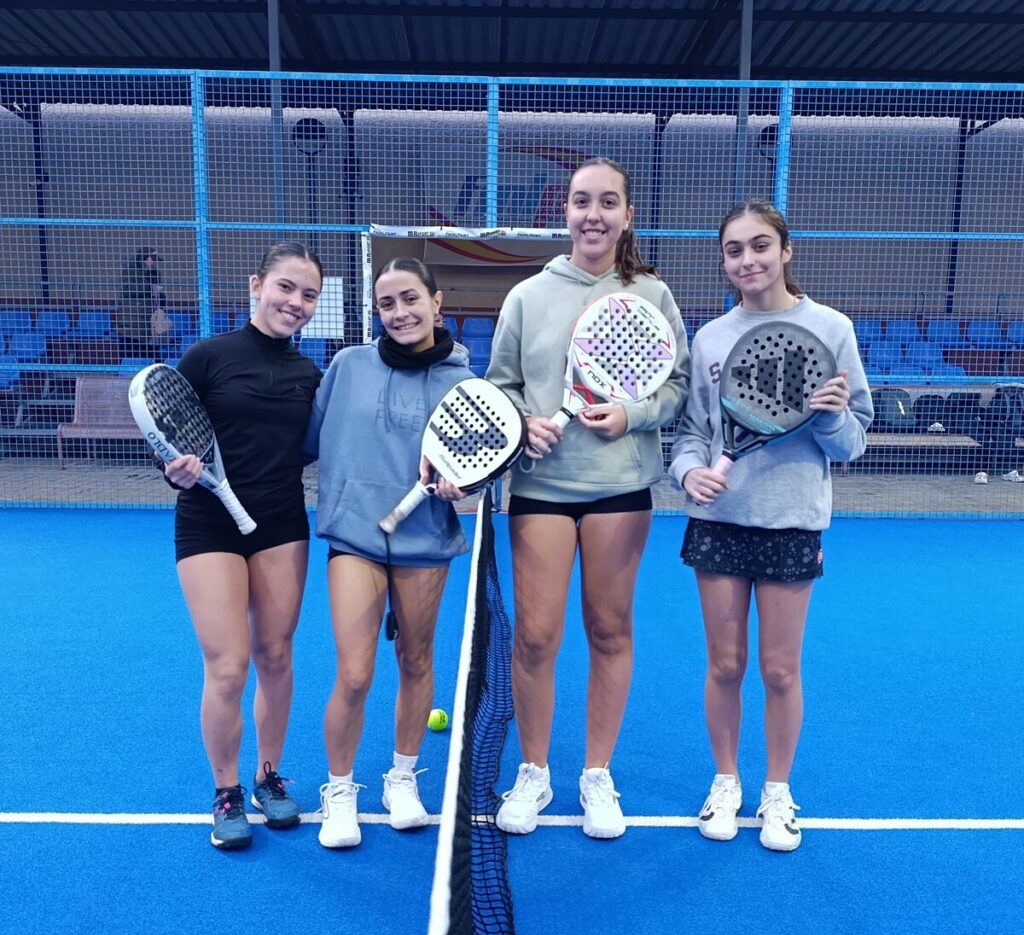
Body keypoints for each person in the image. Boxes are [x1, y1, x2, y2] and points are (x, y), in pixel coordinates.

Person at [486, 157, 690, 840]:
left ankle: (597, 774)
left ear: (627, 215)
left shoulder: (652, 295)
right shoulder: (526, 297)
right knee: (535, 636)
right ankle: (534, 772)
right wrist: (522, 424)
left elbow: (675, 386)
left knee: (609, 630)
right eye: (581, 201)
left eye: (607, 202)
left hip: (619, 490)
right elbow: (501, 386)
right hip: (540, 489)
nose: (593, 214)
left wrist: (632, 415)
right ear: (566, 212)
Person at [669, 199, 873, 852]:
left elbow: (853, 443)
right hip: (718, 521)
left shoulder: (832, 329)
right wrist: (688, 474)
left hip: (791, 521)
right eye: (734, 249)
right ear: (723, 261)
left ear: (786, 250)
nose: (748, 259)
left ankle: (777, 791)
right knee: (725, 664)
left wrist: (832, 417)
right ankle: (726, 781)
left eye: (761, 245)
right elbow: (692, 433)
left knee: (780, 671)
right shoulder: (709, 338)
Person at [305, 257, 473, 849]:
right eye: (386, 304)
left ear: (436, 302)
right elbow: (305, 440)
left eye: (410, 299)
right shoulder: (347, 366)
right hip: (356, 536)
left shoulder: (463, 383)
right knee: (354, 673)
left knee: (416, 661)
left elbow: (473, 467)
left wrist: (461, 484)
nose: (399, 313)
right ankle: (339, 790)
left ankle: (402, 777)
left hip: (424, 540)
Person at [163, 241, 324, 850]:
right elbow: (167, 437)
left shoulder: (310, 375)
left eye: (308, 294)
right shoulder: (207, 357)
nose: (296, 302)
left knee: (275, 656)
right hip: (209, 524)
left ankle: (267, 777)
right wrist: (174, 469)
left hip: (281, 522)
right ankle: (226, 790)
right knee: (229, 667)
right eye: (286, 287)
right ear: (257, 285)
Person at [114, 246, 169, 360]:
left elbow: (157, 295)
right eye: (152, 259)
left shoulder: (154, 273)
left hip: (148, 322)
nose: (154, 263)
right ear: (144, 259)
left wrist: (159, 296)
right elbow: (128, 290)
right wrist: (150, 288)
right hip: (131, 321)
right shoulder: (130, 272)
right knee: (130, 354)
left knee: (150, 355)